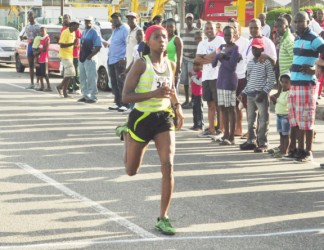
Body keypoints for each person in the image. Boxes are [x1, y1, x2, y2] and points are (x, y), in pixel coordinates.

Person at [116, 25, 184, 235]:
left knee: (168, 165)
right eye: (157, 36)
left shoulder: (170, 65)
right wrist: (154, 94)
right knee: (131, 170)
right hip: (141, 119)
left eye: (164, 36)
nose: (162, 39)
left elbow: (170, 91)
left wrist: (178, 108)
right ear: (148, 41)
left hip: (163, 118)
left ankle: (163, 217)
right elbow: (125, 97)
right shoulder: (140, 64)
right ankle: (127, 134)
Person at [283, 11, 324, 162]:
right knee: (295, 119)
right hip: (295, 84)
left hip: (306, 85)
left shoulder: (315, 38)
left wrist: (316, 69)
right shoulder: (297, 38)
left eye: (301, 21)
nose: (298, 24)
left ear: (308, 21)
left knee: (306, 119)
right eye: (296, 21)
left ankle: (307, 152)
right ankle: (296, 150)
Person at [239, 38, 276, 152]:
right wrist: (243, 92)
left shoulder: (266, 63)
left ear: (262, 49)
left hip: (261, 95)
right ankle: (251, 141)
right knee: (250, 119)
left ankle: (263, 142)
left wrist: (264, 92)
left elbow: (271, 80)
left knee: (263, 119)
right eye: (253, 48)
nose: (255, 50)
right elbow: (249, 80)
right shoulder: (250, 63)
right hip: (250, 94)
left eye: (258, 48)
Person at [212, 26, 242, 145]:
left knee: (231, 108)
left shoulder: (236, 48)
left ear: (234, 35)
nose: (227, 37)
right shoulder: (222, 47)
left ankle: (231, 136)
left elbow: (231, 66)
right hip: (220, 80)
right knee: (222, 108)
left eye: (230, 35)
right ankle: (225, 134)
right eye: (225, 35)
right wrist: (219, 55)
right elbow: (214, 63)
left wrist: (222, 58)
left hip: (230, 81)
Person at [195, 21, 225, 138]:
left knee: (219, 105)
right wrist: (211, 58)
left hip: (217, 76)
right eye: (207, 28)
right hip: (206, 76)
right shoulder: (202, 43)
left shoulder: (220, 41)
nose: (209, 30)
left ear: (215, 29)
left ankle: (221, 129)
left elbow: (219, 56)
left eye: (211, 28)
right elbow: (197, 60)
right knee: (210, 104)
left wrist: (205, 58)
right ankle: (211, 129)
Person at [228, 18, 250, 138]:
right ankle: (238, 128)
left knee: (246, 105)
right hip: (231, 78)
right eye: (230, 27)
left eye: (235, 27)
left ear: (239, 29)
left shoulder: (245, 42)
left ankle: (250, 130)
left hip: (243, 77)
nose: (233, 30)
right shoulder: (226, 43)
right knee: (235, 105)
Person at [108, 12, 130, 112]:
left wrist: (124, 58)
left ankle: (125, 104)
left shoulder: (125, 29)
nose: (114, 20)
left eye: (116, 18)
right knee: (114, 83)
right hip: (112, 59)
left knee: (121, 82)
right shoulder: (115, 30)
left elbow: (127, 44)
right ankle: (117, 102)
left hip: (120, 60)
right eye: (113, 19)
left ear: (121, 19)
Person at [77, 16, 102, 104]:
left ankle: (93, 96)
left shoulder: (94, 32)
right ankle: (85, 95)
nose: (87, 23)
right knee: (83, 78)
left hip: (90, 58)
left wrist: (90, 56)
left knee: (91, 78)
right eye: (86, 21)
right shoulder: (84, 32)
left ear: (92, 22)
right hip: (82, 58)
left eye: (89, 21)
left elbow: (98, 46)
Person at [56, 20, 79, 98]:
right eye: (76, 25)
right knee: (71, 73)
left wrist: (76, 45)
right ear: (72, 25)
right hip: (65, 55)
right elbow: (62, 45)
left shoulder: (73, 32)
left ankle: (63, 90)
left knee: (69, 74)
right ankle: (61, 87)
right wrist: (72, 43)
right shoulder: (65, 32)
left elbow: (71, 45)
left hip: (70, 55)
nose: (77, 27)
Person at [180, 13, 198, 108]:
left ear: (193, 20)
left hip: (192, 59)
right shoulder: (182, 31)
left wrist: (195, 54)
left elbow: (199, 43)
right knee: (185, 82)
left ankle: (193, 100)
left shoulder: (196, 31)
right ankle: (186, 100)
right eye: (188, 19)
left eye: (191, 19)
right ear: (185, 20)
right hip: (184, 59)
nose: (189, 20)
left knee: (192, 81)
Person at [60, 14, 82, 95]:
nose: (64, 20)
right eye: (63, 18)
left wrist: (76, 45)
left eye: (66, 18)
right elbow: (62, 42)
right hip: (66, 55)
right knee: (68, 72)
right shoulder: (64, 30)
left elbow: (78, 40)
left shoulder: (75, 29)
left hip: (74, 53)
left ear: (69, 20)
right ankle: (67, 88)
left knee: (75, 71)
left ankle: (76, 87)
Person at [271, 73, 291, 158]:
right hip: (279, 115)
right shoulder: (282, 92)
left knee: (286, 135)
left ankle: (285, 151)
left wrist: (276, 99)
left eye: (286, 82)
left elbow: (284, 103)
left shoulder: (289, 93)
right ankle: (281, 149)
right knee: (281, 134)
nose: (284, 84)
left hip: (285, 116)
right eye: (282, 82)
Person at [23, 11, 40, 89]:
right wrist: (23, 38)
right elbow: (27, 36)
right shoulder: (27, 26)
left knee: (37, 65)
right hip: (30, 46)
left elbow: (41, 37)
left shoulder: (38, 26)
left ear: (34, 16)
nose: (29, 18)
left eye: (31, 16)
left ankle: (38, 83)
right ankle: (32, 83)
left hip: (37, 46)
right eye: (28, 16)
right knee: (31, 66)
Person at [166, 18, 183, 89]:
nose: (169, 29)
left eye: (171, 27)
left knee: (172, 90)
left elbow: (179, 58)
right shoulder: (163, 38)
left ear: (175, 27)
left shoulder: (177, 40)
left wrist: (176, 74)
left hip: (173, 68)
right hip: (164, 67)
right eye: (167, 27)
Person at [34, 26, 52, 92]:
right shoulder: (40, 39)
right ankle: (42, 86)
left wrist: (37, 52)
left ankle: (49, 87)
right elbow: (38, 46)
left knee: (45, 74)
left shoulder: (47, 38)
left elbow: (45, 49)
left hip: (44, 59)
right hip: (39, 58)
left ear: (46, 31)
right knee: (39, 74)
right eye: (40, 31)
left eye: (43, 31)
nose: (41, 32)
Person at [189, 60, 203, 130]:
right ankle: (195, 124)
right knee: (194, 110)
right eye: (194, 65)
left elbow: (199, 82)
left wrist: (192, 77)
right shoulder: (194, 73)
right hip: (194, 94)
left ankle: (199, 125)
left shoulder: (201, 73)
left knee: (199, 111)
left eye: (197, 65)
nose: (195, 67)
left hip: (198, 94)